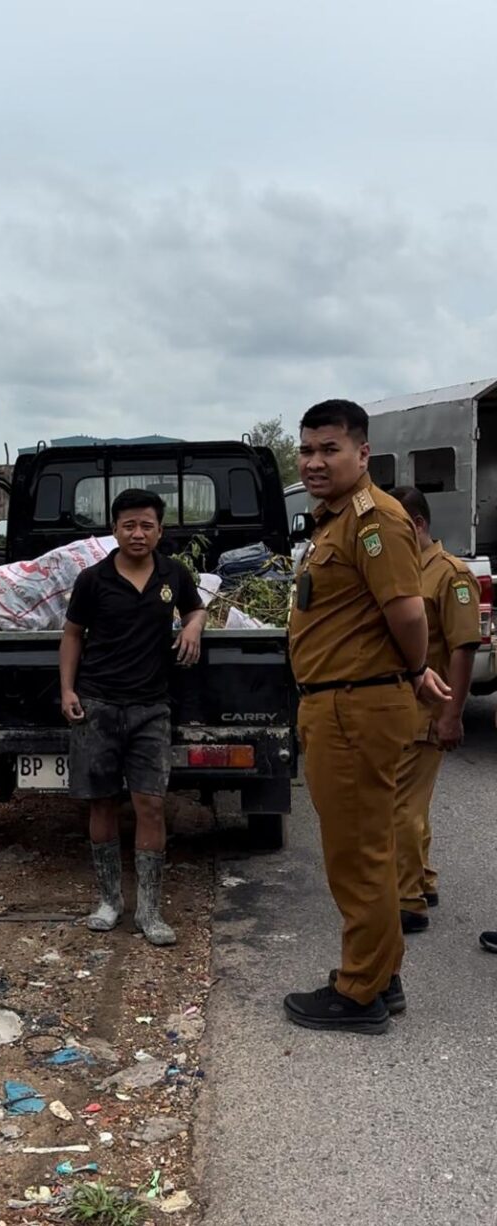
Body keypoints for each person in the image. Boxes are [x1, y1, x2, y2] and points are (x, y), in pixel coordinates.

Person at [284, 400, 450, 1034]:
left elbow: (407, 612)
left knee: (357, 854)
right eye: (307, 450)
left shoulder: (374, 518)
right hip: (340, 701)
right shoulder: (335, 521)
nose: (315, 461)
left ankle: (360, 994)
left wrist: (413, 671)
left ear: (362, 455)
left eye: (330, 449)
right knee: (367, 848)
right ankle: (382, 973)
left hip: (353, 704)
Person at [59, 488, 206, 946]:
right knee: (102, 802)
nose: (137, 533)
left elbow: (196, 606)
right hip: (98, 704)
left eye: (146, 525)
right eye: (129, 525)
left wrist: (194, 625)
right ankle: (108, 901)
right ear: (114, 530)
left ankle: (149, 910)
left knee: (151, 804)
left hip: (151, 708)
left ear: (160, 530)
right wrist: (67, 689)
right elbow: (72, 635)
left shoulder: (173, 574)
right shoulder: (93, 579)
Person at [389, 487, 480, 934]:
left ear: (419, 525)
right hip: (402, 710)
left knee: (399, 807)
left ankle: (407, 901)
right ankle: (422, 880)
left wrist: (452, 714)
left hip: (427, 709)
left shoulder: (450, 575)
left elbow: (464, 647)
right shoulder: (404, 570)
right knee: (412, 804)